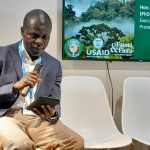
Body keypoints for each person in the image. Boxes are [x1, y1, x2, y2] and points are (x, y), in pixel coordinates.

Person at [0, 9, 84, 150]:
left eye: (45, 37)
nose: (40, 42)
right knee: (21, 145)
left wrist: (52, 113)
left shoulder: (54, 65)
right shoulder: (2, 54)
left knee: (76, 142)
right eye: (34, 36)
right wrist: (15, 87)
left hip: (37, 119)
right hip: (5, 116)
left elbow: (55, 101)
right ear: (22, 31)